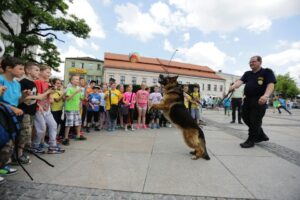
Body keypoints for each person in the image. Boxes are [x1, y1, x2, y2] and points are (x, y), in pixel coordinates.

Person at [229, 55, 276, 148]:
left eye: (253, 61)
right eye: (250, 62)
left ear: (260, 62)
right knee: (245, 117)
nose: (251, 63)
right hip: (247, 100)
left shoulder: (267, 72)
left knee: (255, 120)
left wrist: (266, 96)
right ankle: (261, 134)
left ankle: (251, 140)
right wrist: (233, 86)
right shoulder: (247, 73)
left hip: (259, 100)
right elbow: (240, 82)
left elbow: (271, 85)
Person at [33, 65, 65, 154]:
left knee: (53, 125)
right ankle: (35, 146)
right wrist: (48, 92)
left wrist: (50, 95)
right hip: (39, 108)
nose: (49, 74)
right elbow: (38, 95)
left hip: (47, 108)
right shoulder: (37, 82)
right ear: (41, 72)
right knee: (41, 128)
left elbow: (49, 97)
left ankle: (52, 146)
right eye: (47, 72)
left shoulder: (47, 83)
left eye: (50, 72)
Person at [63, 75, 87, 145]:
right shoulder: (69, 89)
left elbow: (82, 98)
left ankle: (78, 136)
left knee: (78, 123)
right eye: (76, 79)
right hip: (70, 108)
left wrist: (84, 91)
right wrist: (76, 92)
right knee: (69, 124)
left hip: (77, 108)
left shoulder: (79, 89)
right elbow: (67, 99)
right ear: (72, 81)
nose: (77, 80)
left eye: (78, 79)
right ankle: (66, 138)